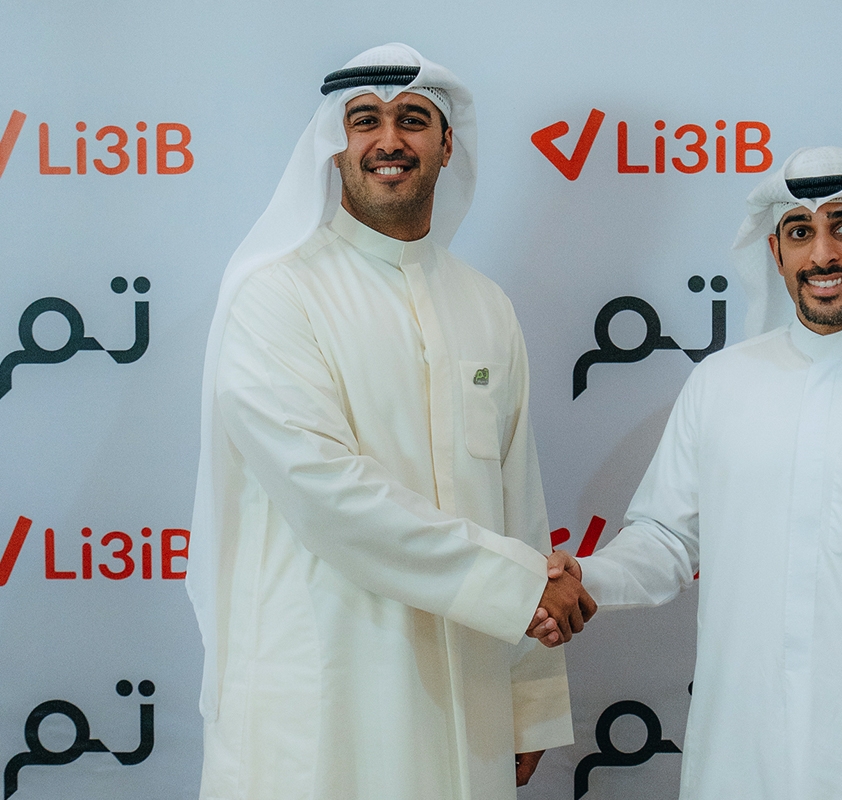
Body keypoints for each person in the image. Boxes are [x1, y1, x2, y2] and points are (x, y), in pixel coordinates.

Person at [534, 147, 842, 799]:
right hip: (741, 761)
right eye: (800, 231)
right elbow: (666, 539)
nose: (823, 254)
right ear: (775, 252)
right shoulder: (721, 385)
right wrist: (586, 578)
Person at [186, 43, 595, 800]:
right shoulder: (276, 296)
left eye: (412, 119)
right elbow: (327, 493)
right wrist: (518, 587)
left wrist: (528, 702)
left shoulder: (485, 306)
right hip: (321, 692)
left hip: (464, 692)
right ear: (334, 144)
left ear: (447, 145)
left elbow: (520, 503)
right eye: (364, 120)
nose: (388, 140)